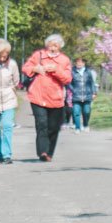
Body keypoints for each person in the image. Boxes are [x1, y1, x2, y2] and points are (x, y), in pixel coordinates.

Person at [21, 33, 72, 162]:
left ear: (60, 47)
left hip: (56, 99)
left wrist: (56, 70)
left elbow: (67, 79)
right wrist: (35, 68)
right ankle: (42, 152)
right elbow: (25, 68)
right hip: (37, 96)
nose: (53, 48)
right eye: (51, 45)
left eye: (56, 45)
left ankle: (49, 153)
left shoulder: (64, 60)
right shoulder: (38, 55)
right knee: (42, 124)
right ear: (46, 45)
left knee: (54, 127)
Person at [71, 57, 98, 132]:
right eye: (77, 62)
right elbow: (69, 83)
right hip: (76, 96)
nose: (79, 64)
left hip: (87, 95)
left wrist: (94, 92)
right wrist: (73, 90)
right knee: (76, 112)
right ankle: (77, 128)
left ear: (84, 63)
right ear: (75, 63)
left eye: (81, 62)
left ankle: (85, 125)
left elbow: (92, 83)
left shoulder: (88, 72)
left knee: (87, 111)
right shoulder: (72, 72)